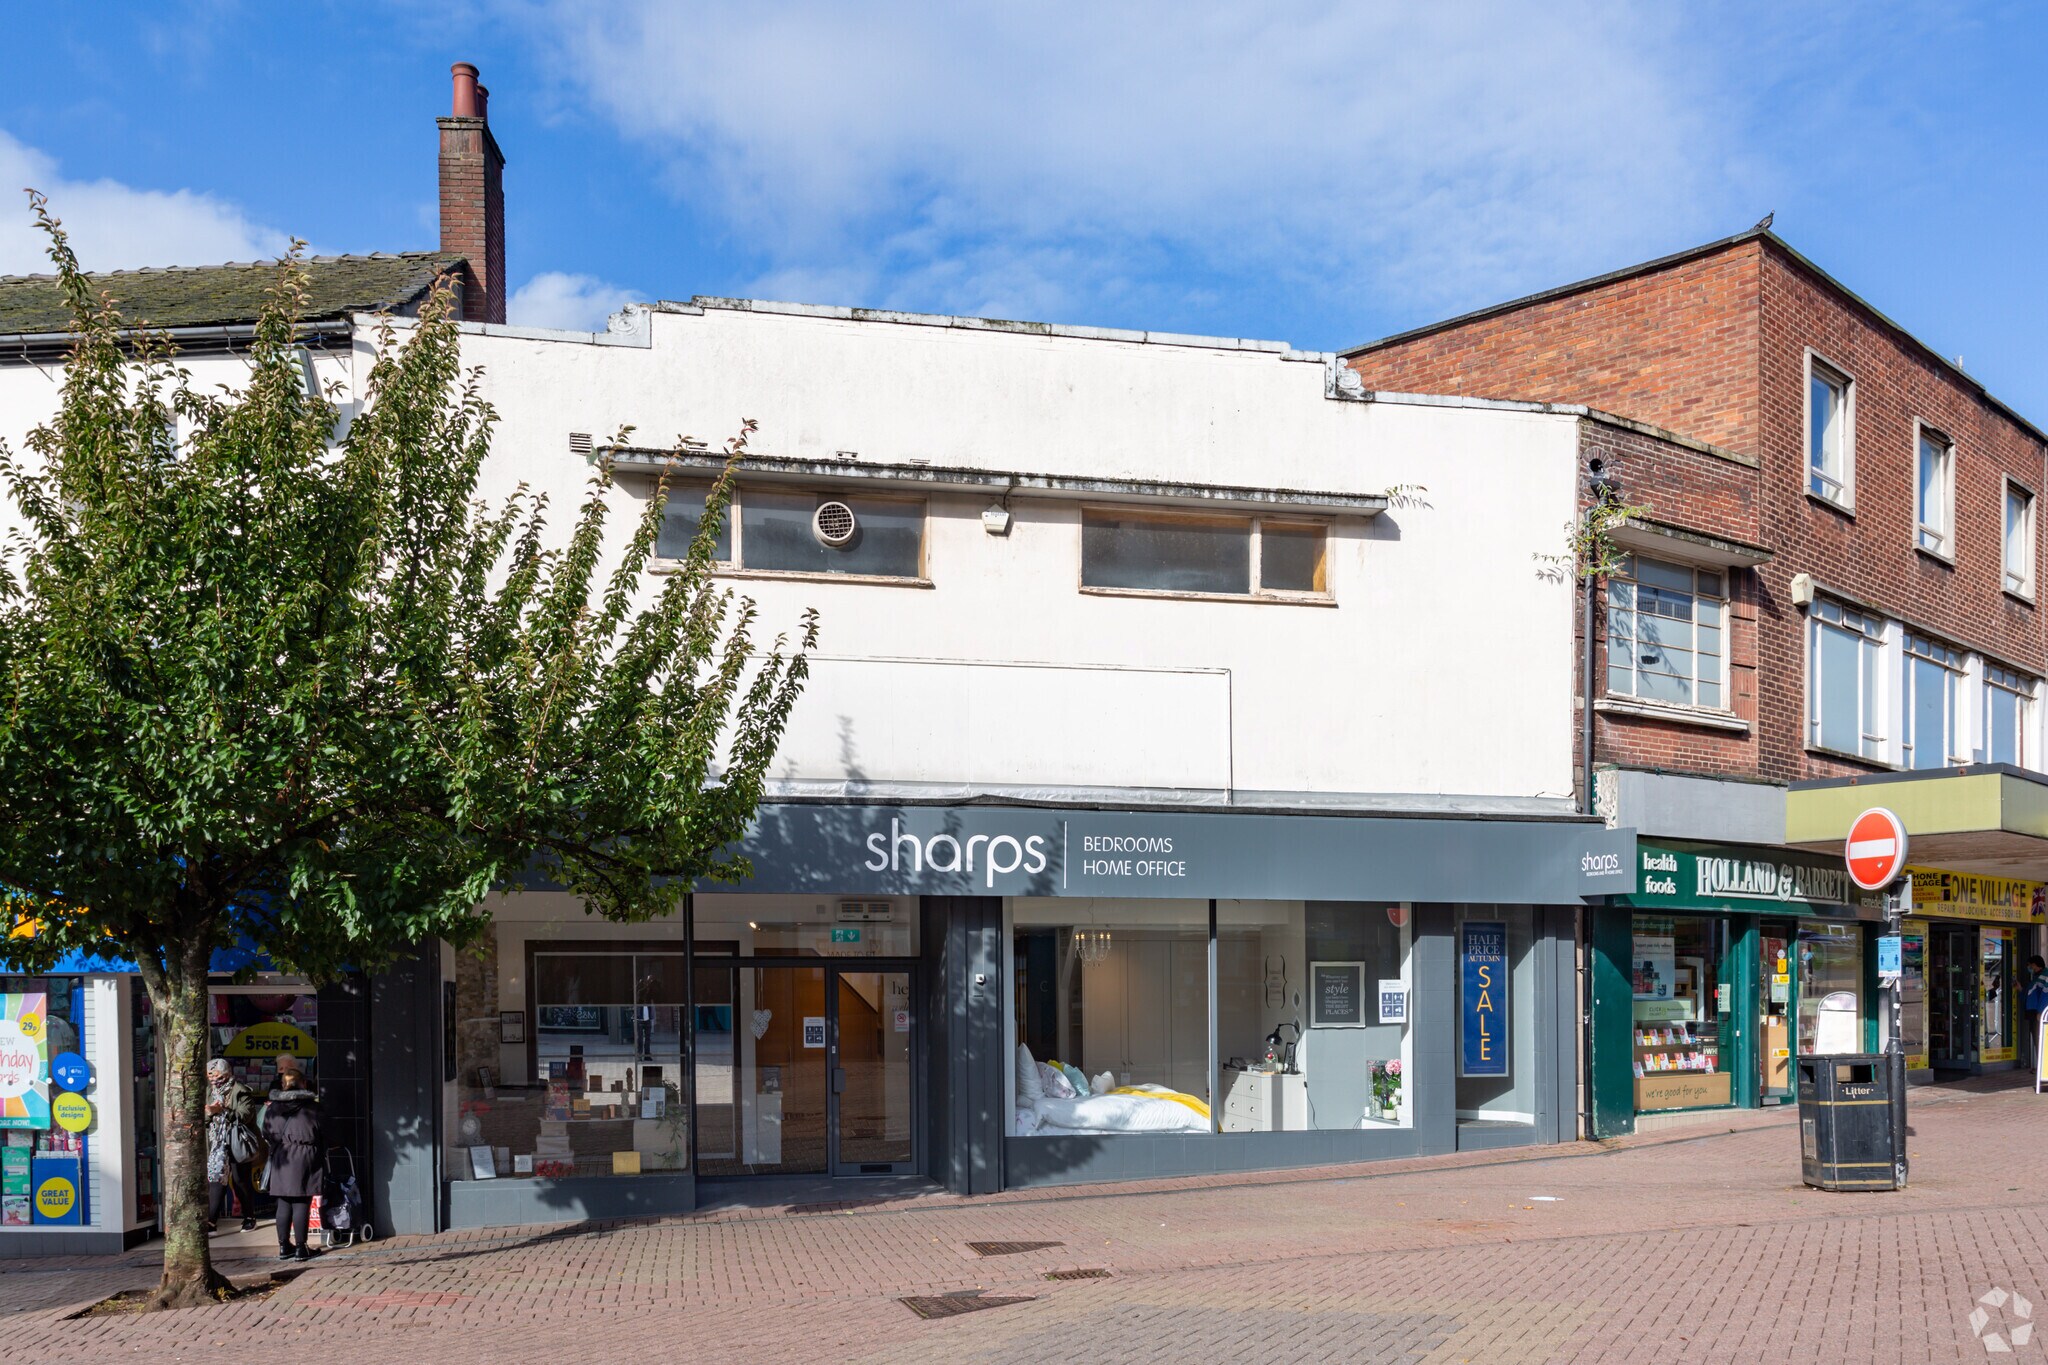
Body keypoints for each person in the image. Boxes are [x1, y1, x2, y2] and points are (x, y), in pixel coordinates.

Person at [261, 1057, 324, 1261]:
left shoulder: (273, 1108)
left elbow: (266, 1132)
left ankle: (283, 1246)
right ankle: (301, 1247)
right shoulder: (312, 1108)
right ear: (303, 1084)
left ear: (283, 1085)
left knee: (283, 1203)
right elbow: (324, 1133)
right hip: (305, 1157)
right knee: (301, 1202)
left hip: (281, 1157)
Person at [203, 1059, 260, 1234]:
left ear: (227, 1074)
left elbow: (245, 1116)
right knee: (216, 1180)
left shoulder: (241, 1092)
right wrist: (209, 1115)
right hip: (218, 1143)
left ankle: (249, 1216)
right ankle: (211, 1221)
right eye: (210, 1076)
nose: (213, 1080)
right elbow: (206, 1118)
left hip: (237, 1140)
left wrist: (222, 1111)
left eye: (217, 1076)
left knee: (240, 1180)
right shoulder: (210, 1092)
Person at [2023, 955, 2048, 1072]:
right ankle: (2041, 1068)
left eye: (2030, 965)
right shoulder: (2036, 977)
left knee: (2041, 1039)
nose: (2029, 967)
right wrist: (2020, 990)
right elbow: (2030, 994)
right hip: (2034, 1013)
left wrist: (2040, 1011)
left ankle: (2043, 1069)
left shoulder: (2045, 976)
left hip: (2040, 1014)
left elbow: (2045, 995)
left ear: (2035, 965)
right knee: (2038, 1040)